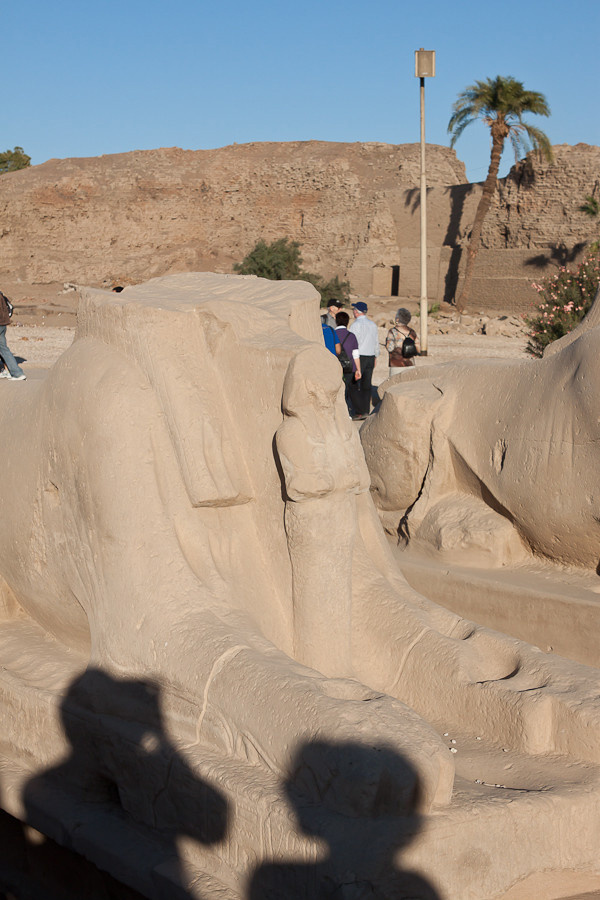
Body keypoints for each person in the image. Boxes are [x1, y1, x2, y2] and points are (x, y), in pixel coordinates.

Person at [349, 301, 379, 420]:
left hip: (359, 356)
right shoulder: (373, 324)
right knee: (367, 385)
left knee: (355, 384)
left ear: (356, 311)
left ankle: (359, 410)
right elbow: (376, 342)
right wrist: (376, 356)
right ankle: (366, 409)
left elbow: (353, 342)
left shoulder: (355, 325)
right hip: (371, 356)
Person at [334, 311, 361, 416]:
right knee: (348, 390)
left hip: (335, 367)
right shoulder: (351, 336)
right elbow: (356, 355)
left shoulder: (332, 334)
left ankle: (339, 413)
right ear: (347, 322)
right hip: (350, 367)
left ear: (336, 321)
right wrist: (358, 369)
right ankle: (348, 413)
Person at [386, 308, 419, 377]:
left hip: (396, 365)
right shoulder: (412, 332)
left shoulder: (392, 331)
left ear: (397, 319)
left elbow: (390, 348)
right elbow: (418, 348)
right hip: (410, 364)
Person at [0, 291, 26, 381]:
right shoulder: (1, 295)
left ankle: (17, 373)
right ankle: (11, 371)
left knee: (3, 349)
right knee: (3, 349)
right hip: (3, 325)